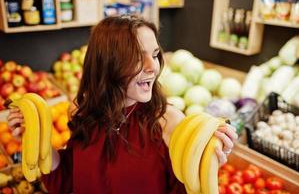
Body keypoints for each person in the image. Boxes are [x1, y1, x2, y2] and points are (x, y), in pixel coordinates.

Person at [7, 15, 237, 194]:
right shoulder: (81, 111)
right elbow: (65, 182)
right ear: (107, 63)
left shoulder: (169, 122)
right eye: (138, 55)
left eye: (155, 54)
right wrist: (37, 141)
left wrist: (208, 163)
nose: (152, 67)